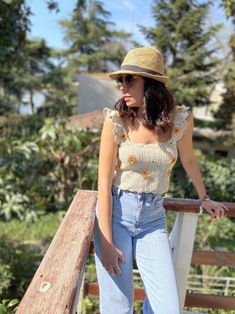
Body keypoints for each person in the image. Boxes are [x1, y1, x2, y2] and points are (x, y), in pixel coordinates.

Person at [93, 47, 228, 314]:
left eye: (130, 79)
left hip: (153, 219)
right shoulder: (116, 120)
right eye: (121, 80)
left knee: (168, 307)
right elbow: (103, 183)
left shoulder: (179, 120)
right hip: (116, 214)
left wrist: (204, 197)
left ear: (151, 85)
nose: (123, 86)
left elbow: (189, 160)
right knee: (118, 307)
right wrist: (106, 242)